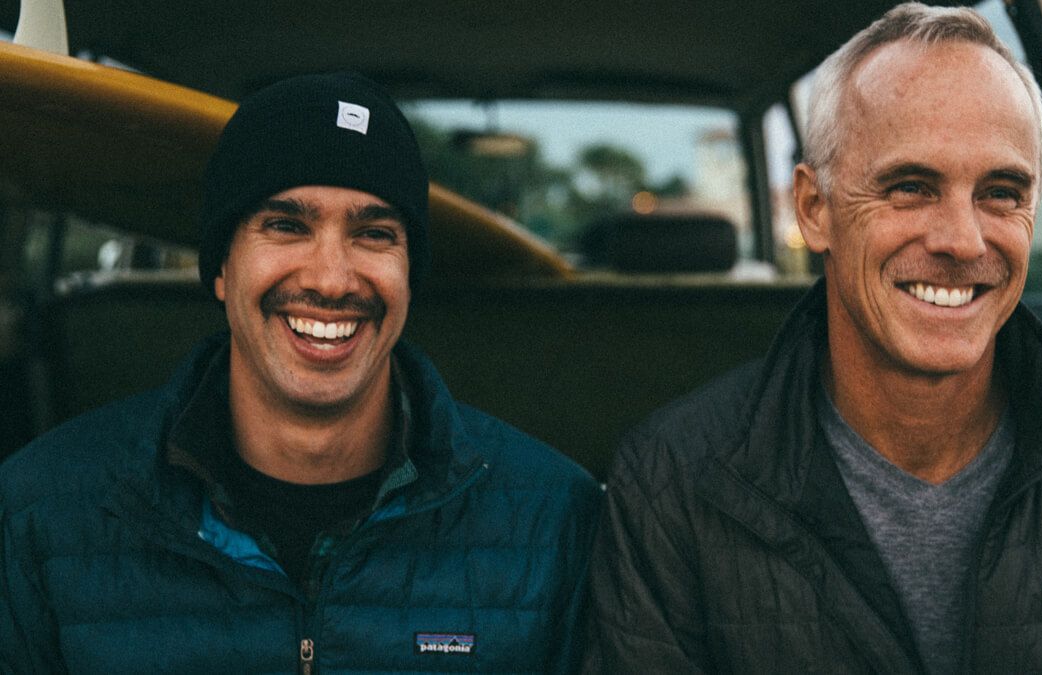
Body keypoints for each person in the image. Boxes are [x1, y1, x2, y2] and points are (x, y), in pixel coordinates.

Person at [585, 3, 1042, 672]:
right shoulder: (670, 486)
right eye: (910, 187)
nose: (963, 241)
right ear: (815, 209)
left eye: (1001, 191)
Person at [0, 72, 600, 672]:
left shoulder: (554, 520)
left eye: (374, 234)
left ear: (410, 277)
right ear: (221, 268)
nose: (331, 279)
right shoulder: (40, 513)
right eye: (286, 225)